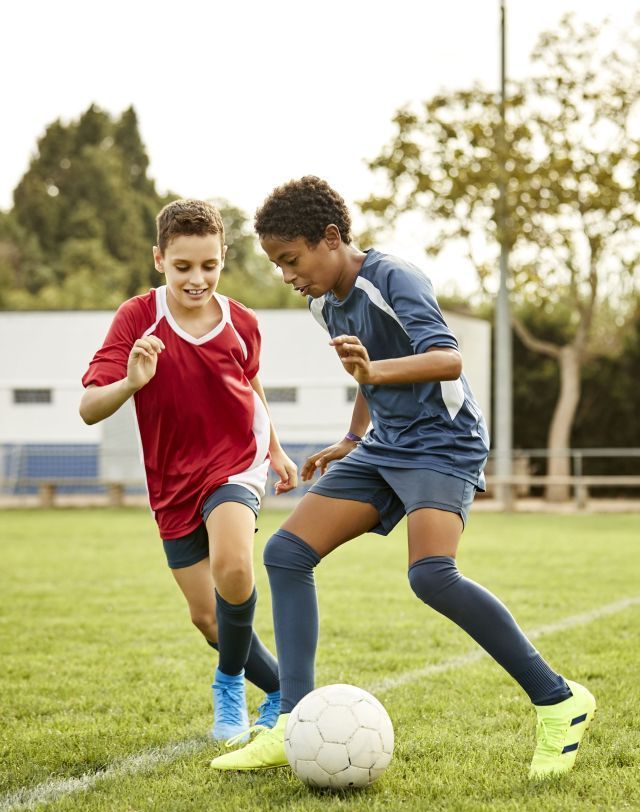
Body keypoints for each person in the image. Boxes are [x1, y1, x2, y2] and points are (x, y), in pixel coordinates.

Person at [210, 176, 596, 778]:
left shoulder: (393, 276)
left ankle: (559, 699)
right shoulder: (322, 300)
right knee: (287, 553)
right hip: (385, 444)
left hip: (444, 441)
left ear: (331, 237)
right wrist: (351, 438)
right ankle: (291, 720)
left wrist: (376, 371)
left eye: (291, 259)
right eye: (278, 264)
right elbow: (366, 371)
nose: (287, 275)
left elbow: (448, 358)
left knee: (432, 576)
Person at [80, 199, 297, 742]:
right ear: (159, 259)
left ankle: (228, 685)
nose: (197, 279)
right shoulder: (136, 319)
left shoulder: (242, 320)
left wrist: (275, 448)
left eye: (209, 265)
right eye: (183, 267)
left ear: (223, 257)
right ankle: (278, 689)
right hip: (171, 480)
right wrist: (131, 382)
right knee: (207, 620)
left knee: (235, 565)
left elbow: (250, 386)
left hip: (234, 465)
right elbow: (88, 408)